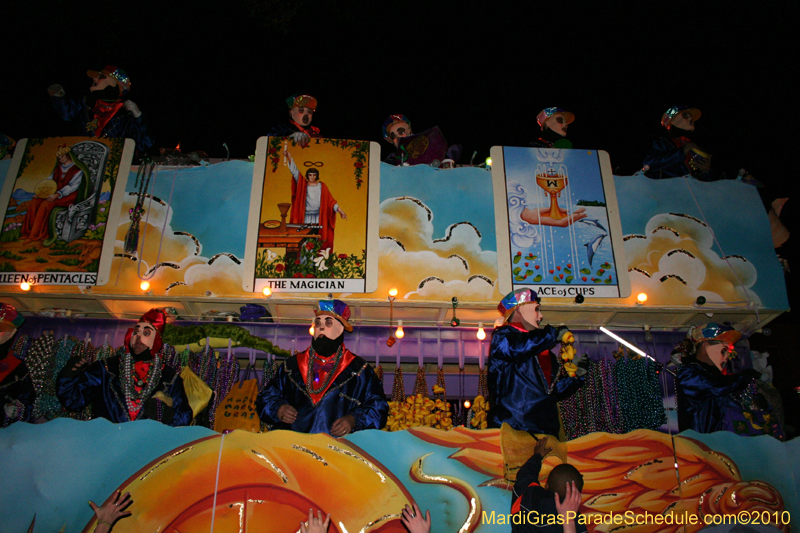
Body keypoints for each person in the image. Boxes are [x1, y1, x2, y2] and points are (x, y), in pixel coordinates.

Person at [257, 299, 388, 435]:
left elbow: (379, 408)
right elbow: (265, 398)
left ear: (341, 328)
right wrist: (278, 408)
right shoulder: (291, 366)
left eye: (328, 323)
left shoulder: (359, 370)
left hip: (338, 450)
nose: (321, 327)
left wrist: (353, 419)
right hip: (292, 449)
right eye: (318, 323)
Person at [57, 309, 192, 426]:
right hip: (107, 445)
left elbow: (185, 418)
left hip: (149, 448)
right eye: (136, 332)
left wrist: (166, 414)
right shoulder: (106, 368)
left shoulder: (169, 377)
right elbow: (73, 401)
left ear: (156, 340)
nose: (139, 337)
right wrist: (68, 376)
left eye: (146, 333)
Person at [488, 289, 586, 436]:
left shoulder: (544, 351)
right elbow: (516, 349)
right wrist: (551, 334)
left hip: (545, 430)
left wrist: (576, 377)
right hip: (513, 426)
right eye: (536, 309)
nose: (541, 316)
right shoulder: (503, 337)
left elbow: (551, 391)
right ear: (519, 309)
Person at [674, 323, 773, 435]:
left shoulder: (719, 377)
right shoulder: (689, 373)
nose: (727, 357)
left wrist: (757, 403)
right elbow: (714, 387)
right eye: (723, 350)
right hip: (701, 446)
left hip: (723, 444)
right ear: (705, 347)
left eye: (729, 352)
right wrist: (741, 379)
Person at [49, 65, 154, 151]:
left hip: (112, 166)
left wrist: (138, 116)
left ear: (114, 83)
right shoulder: (86, 104)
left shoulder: (126, 113)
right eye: (96, 77)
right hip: (82, 159)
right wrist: (59, 97)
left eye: (101, 77)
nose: (94, 79)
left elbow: (145, 144)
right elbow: (67, 114)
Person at [511, 436, 585, 533]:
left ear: (547, 485)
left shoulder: (530, 495)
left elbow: (525, 475)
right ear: (576, 498)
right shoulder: (578, 524)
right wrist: (569, 521)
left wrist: (537, 455)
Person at [21, 144, 91, 246]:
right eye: (59, 157)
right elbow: (49, 181)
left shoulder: (77, 170)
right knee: (34, 202)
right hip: (54, 193)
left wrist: (58, 194)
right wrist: (40, 194)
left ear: (68, 155)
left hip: (67, 196)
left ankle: (35, 235)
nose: (60, 159)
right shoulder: (58, 168)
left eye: (62, 156)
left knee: (46, 204)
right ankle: (27, 232)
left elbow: (72, 186)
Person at [285, 148, 347, 252]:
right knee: (304, 240)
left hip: (319, 218)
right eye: (310, 175)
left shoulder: (322, 186)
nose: (312, 177)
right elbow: (295, 172)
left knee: (318, 240)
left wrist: (341, 211)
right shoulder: (303, 185)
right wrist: (289, 157)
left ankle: (316, 265)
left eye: (314, 175)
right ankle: (304, 264)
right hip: (305, 218)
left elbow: (331, 202)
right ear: (307, 175)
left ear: (316, 176)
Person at [643, 104, 711, 180]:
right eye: (685, 116)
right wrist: (681, 153)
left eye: (691, 116)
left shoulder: (694, 146)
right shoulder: (663, 143)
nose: (691, 119)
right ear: (672, 121)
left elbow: (700, 182)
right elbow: (649, 164)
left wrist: (705, 171)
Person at [0, 304, 35, 427]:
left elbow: (27, 400)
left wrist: (16, 410)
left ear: (12, 333)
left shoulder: (17, 369)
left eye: (0, 329)